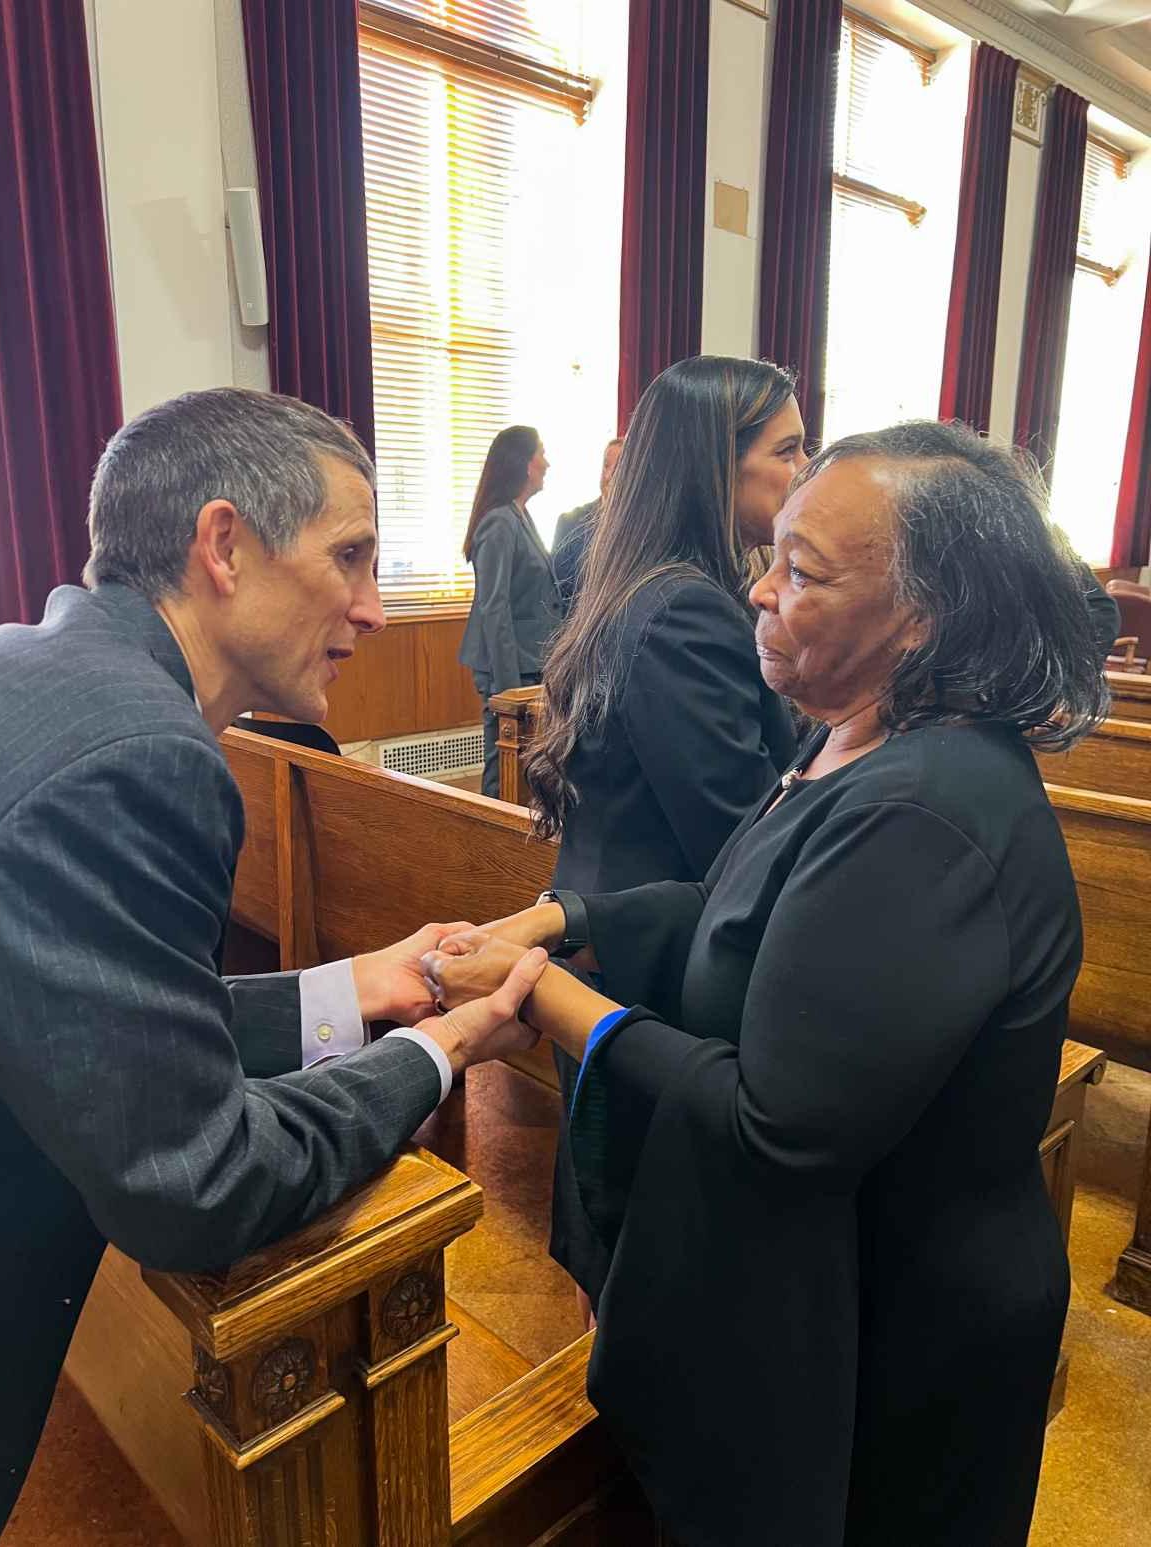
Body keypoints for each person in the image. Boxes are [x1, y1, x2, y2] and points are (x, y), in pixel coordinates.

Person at [424, 420, 1108, 1547]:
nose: (756, 589)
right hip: (818, 1282)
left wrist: (540, 991)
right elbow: (739, 907)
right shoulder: (853, 734)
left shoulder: (924, 807)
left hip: (895, 1320)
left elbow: (773, 1119)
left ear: (924, 614)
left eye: (802, 572)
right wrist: (560, 918)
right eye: (770, 553)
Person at [0, 388, 547, 1537]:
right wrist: (439, 1051)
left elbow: (101, 1011)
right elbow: (200, 1182)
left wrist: (354, 988)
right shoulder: (143, 753)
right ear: (225, 545)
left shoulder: (41, 665)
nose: (375, 608)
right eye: (348, 555)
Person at [526, 356, 807, 1310]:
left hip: (613, 922)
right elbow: (738, 827)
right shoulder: (686, 605)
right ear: (713, 466)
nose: (805, 470)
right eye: (788, 450)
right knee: (647, 1234)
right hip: (647, 950)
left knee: (626, 1211)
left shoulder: (646, 581)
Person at [458, 425, 561, 798]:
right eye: (542, 453)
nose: (547, 463)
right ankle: (489, 843)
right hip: (508, 667)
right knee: (501, 765)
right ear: (524, 462)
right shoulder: (499, 522)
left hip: (529, 660)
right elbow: (493, 607)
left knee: (521, 765)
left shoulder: (520, 516)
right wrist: (506, 688)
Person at [550, 436, 624, 606]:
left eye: (619, 467)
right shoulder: (570, 522)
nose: (609, 475)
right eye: (606, 465)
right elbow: (559, 588)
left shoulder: (645, 527)